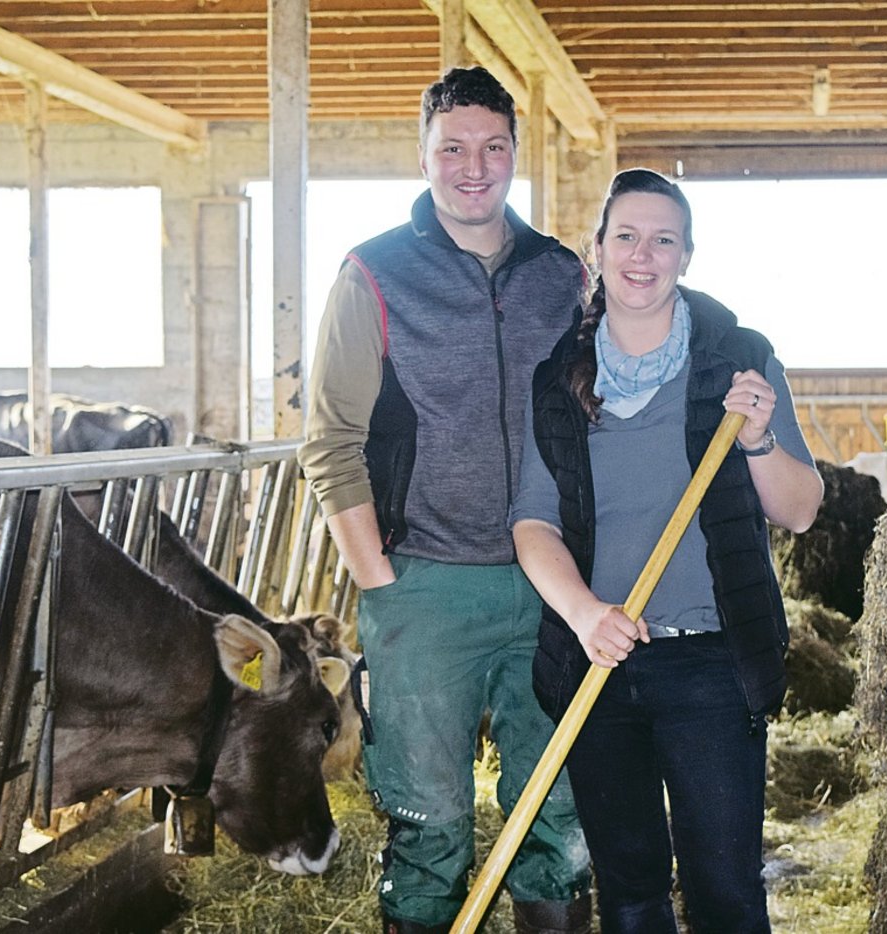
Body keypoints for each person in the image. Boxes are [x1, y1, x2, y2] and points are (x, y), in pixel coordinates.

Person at [298, 66, 592, 934]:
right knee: (430, 819)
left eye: (493, 146)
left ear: (515, 153)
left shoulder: (560, 275)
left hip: (554, 586)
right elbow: (330, 439)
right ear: (424, 156)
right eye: (453, 147)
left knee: (561, 808)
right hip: (425, 585)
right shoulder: (375, 273)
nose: (475, 166)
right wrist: (382, 582)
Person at [510, 168, 824, 933]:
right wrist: (585, 615)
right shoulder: (559, 379)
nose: (642, 255)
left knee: (724, 891)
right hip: (600, 666)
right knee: (631, 894)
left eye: (663, 239)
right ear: (599, 249)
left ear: (686, 255)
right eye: (626, 236)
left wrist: (757, 439)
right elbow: (532, 525)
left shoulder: (735, 362)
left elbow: (802, 510)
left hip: (711, 667)